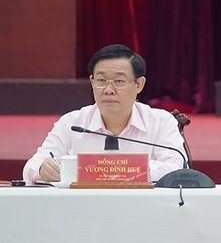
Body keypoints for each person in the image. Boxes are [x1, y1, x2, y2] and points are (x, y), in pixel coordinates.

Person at [22, 44, 185, 184]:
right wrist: (43, 168)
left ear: (139, 84)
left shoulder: (161, 122)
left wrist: (124, 169)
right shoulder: (72, 123)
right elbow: (33, 165)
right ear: (92, 82)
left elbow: (176, 169)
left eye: (119, 81)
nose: (108, 90)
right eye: (101, 81)